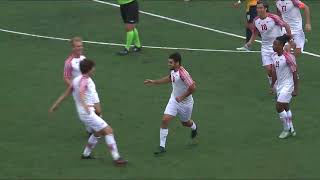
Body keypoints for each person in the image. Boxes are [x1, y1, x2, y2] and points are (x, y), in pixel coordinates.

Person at [50, 59, 128, 165]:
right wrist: (86, 106)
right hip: (88, 113)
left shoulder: (76, 79)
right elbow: (82, 91)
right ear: (89, 69)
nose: (94, 69)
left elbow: (66, 94)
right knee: (109, 131)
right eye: (93, 67)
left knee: (98, 132)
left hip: (84, 113)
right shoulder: (85, 80)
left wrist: (56, 105)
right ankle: (117, 158)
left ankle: (86, 154)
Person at [144, 52, 198, 155]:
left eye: (171, 62)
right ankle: (162, 146)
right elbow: (170, 78)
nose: (168, 64)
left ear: (177, 63)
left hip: (185, 103)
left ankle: (194, 127)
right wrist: (154, 82)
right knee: (165, 120)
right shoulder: (173, 71)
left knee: (185, 123)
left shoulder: (183, 74)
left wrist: (181, 97)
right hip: (174, 100)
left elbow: (193, 87)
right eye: (168, 62)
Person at [245, 0, 292, 85]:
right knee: (269, 70)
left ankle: (284, 82)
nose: (258, 10)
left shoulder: (273, 17)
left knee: (280, 68)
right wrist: (250, 42)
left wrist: (289, 41)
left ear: (265, 8)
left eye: (261, 8)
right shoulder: (256, 20)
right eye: (257, 8)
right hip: (265, 48)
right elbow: (255, 32)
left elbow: (286, 25)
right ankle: (273, 82)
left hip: (278, 46)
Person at [270, 34, 298, 139]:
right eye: (273, 44)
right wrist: (272, 85)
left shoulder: (288, 57)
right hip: (280, 85)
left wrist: (296, 89)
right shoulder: (273, 56)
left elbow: (295, 73)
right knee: (285, 107)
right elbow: (274, 71)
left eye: (275, 44)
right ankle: (291, 127)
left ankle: (286, 130)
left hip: (288, 84)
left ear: (281, 45)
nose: (273, 46)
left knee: (278, 106)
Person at [63, 37, 92, 135]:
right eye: (78, 46)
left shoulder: (83, 58)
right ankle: (90, 131)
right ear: (73, 48)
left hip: (89, 88)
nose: (80, 48)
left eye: (81, 45)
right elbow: (66, 77)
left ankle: (93, 129)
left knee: (95, 109)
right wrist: (75, 87)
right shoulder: (69, 62)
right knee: (86, 110)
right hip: (79, 91)